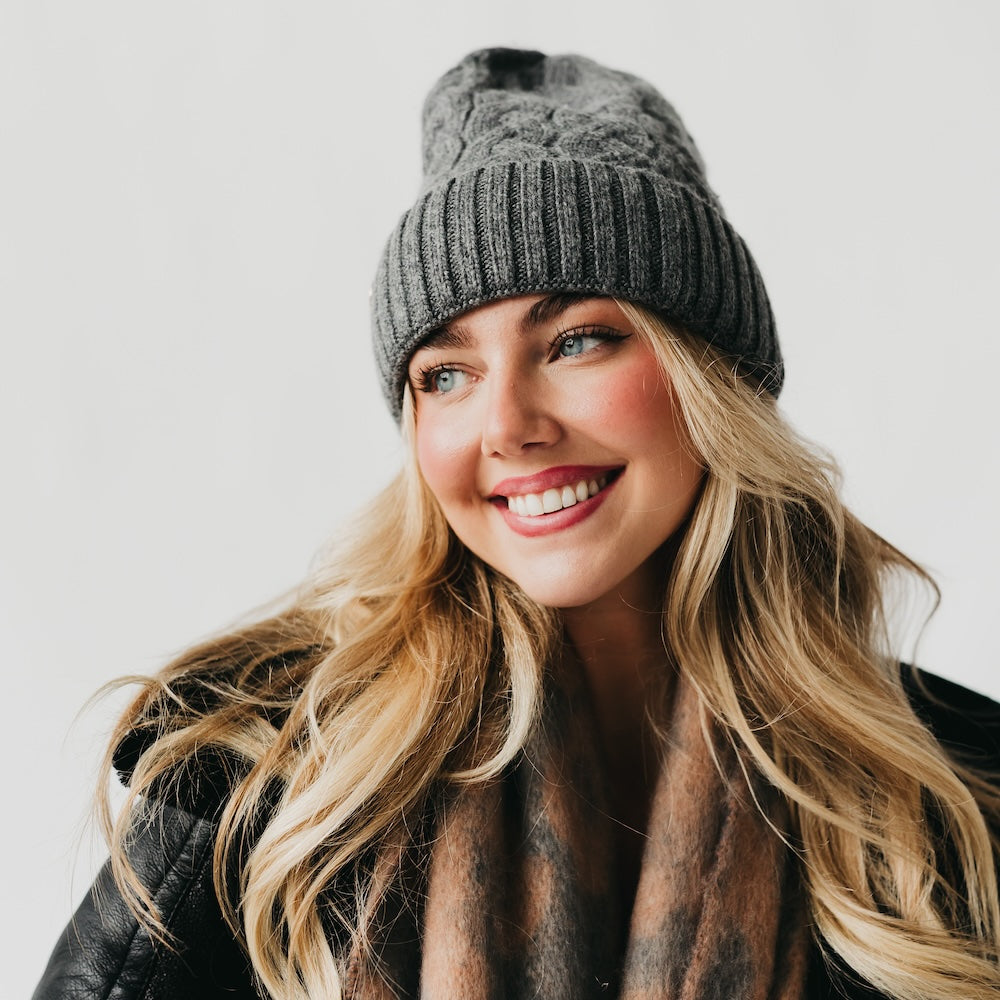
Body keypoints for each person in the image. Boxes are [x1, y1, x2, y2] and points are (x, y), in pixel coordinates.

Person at [34, 47, 1000, 1000]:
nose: (507, 427)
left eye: (577, 340)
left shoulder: (949, 804)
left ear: (712, 382)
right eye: (445, 375)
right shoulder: (266, 787)